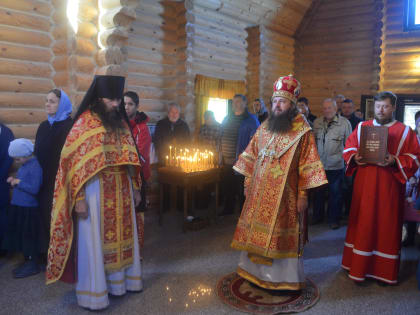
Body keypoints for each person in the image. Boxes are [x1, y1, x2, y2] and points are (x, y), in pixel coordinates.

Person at [46, 75, 143, 310]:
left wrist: (137, 187)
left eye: (119, 99)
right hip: (94, 192)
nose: (117, 104)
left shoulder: (120, 122)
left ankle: (120, 285)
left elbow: (131, 156)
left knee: (123, 240)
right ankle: (95, 293)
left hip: (122, 191)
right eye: (112, 100)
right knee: (95, 242)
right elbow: (72, 166)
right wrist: (78, 199)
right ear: (99, 98)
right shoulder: (84, 124)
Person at [231, 75, 327, 291]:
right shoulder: (265, 126)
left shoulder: (303, 131)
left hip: (286, 195)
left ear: (292, 105)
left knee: (279, 236)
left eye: (282, 101)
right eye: (274, 101)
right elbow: (250, 155)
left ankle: (280, 279)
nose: (277, 105)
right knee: (256, 232)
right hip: (258, 192)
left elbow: (308, 165)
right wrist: (247, 182)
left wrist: (303, 195)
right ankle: (254, 272)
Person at [342, 91, 420, 285]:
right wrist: (355, 157)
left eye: (385, 106)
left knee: (386, 225)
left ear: (393, 107)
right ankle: (358, 268)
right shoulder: (362, 127)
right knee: (363, 223)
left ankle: (383, 274)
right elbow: (349, 148)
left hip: (389, 187)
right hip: (364, 186)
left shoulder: (405, 131)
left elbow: (415, 158)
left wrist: (395, 160)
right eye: (378, 106)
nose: (381, 110)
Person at [35, 89, 72, 253]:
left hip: (59, 181)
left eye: (52, 101)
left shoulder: (68, 126)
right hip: (42, 180)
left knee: (58, 218)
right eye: (46, 100)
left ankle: (60, 255)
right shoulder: (43, 126)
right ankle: (45, 255)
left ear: (61, 104)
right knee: (42, 216)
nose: (47, 104)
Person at [3, 139, 42, 278]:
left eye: (18, 159)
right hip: (20, 206)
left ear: (26, 155)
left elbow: (34, 188)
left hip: (28, 208)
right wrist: (14, 182)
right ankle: (27, 261)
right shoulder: (25, 165)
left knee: (28, 236)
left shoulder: (35, 166)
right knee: (21, 235)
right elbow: (23, 183)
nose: (17, 162)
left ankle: (33, 263)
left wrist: (19, 182)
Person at [312, 98, 352, 229]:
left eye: (329, 108)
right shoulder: (317, 122)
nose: (326, 110)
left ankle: (333, 219)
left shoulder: (344, 123)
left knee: (336, 194)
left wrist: (347, 164)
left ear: (335, 109)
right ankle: (317, 217)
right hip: (319, 165)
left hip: (336, 166)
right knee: (318, 194)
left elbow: (349, 145)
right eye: (324, 108)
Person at [219, 94, 259, 216]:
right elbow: (221, 136)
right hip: (227, 159)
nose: (235, 104)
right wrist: (220, 153)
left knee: (241, 188)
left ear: (244, 103)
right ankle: (228, 209)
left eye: (238, 101)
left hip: (242, 161)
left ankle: (243, 213)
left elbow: (256, 140)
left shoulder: (251, 120)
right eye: (234, 102)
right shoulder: (226, 118)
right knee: (228, 186)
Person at [124, 91, 152, 212]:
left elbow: (141, 156)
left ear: (137, 106)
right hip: (124, 173)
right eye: (124, 103)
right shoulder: (121, 123)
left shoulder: (142, 128)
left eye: (130, 104)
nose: (126, 107)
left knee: (137, 212)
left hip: (138, 173)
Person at [403, 116, 420, 247]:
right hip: (414, 179)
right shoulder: (411, 141)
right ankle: (409, 237)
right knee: (412, 210)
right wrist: (411, 176)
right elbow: (407, 160)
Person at [0, 122, 14, 254]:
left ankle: (4, 249)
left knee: (2, 215)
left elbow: (9, 158)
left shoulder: (6, 133)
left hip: (1, 181)